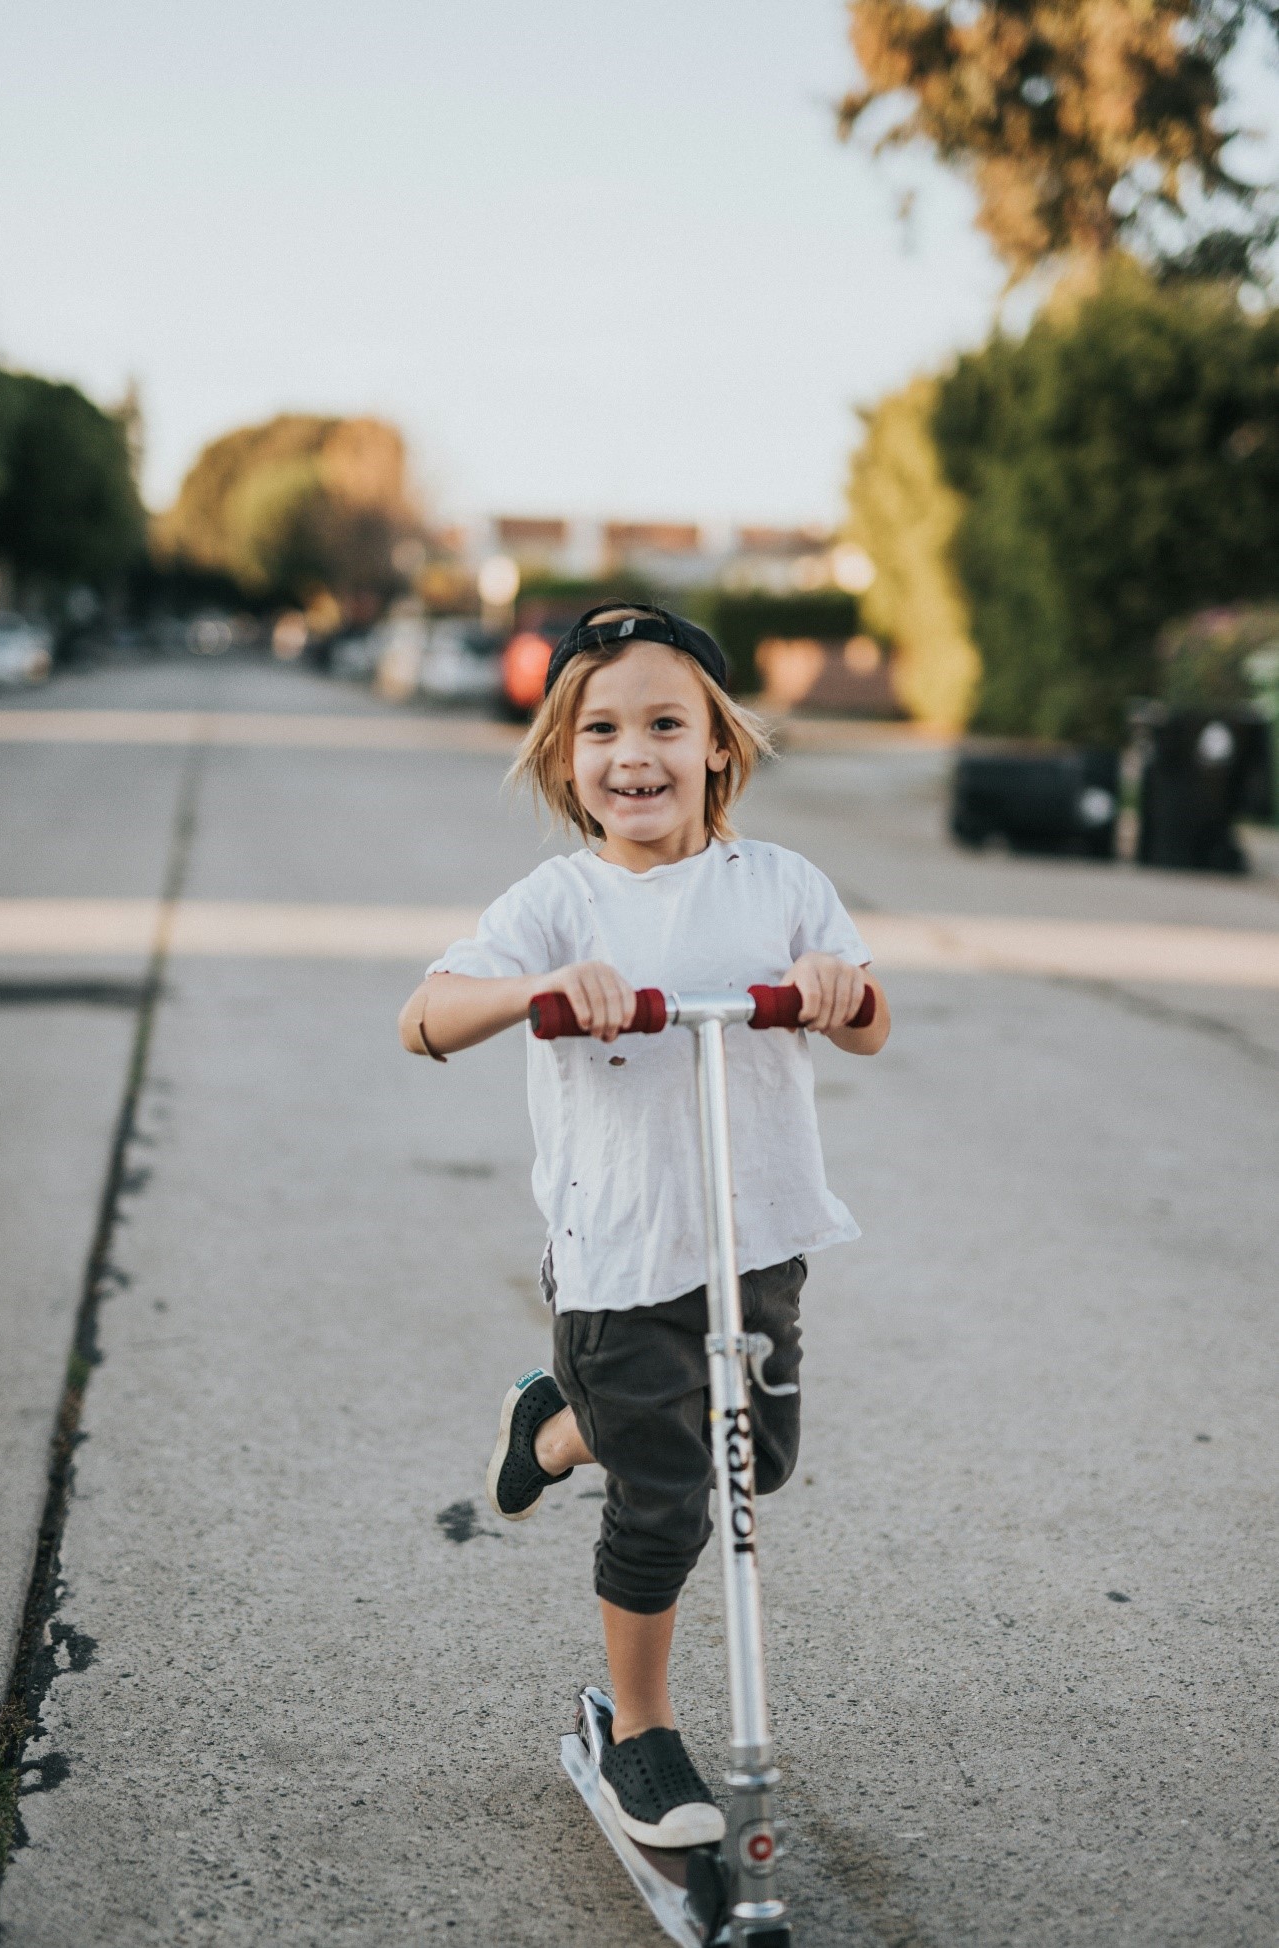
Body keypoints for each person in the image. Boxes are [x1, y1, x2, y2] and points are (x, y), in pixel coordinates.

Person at [398, 602, 889, 1850]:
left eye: (666, 724)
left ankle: (558, 1427)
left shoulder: (780, 884)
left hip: (756, 1236)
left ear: (719, 744)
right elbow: (425, 1015)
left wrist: (838, 991)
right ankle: (642, 1729)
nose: (635, 753)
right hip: (619, 1252)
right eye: (602, 728)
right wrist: (537, 989)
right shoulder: (556, 902)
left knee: (752, 1466)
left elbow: (871, 1017)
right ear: (566, 756)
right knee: (673, 1498)